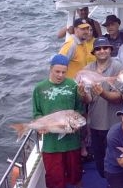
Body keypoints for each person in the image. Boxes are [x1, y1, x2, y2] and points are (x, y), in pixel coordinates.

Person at [33, 54, 84, 188]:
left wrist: (77, 124)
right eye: (57, 71)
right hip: (51, 145)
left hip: (72, 142)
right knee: (55, 180)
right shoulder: (39, 88)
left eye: (63, 72)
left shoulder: (73, 85)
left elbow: (79, 109)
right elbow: (37, 112)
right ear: (50, 69)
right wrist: (40, 125)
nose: (60, 75)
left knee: (76, 175)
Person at [78, 37, 123, 178]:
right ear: (94, 52)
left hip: (114, 123)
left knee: (117, 160)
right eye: (98, 48)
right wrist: (82, 95)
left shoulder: (118, 67)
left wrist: (103, 93)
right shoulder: (87, 70)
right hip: (96, 123)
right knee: (100, 161)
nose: (102, 51)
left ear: (110, 50)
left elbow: (119, 97)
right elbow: (89, 99)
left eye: (105, 48)